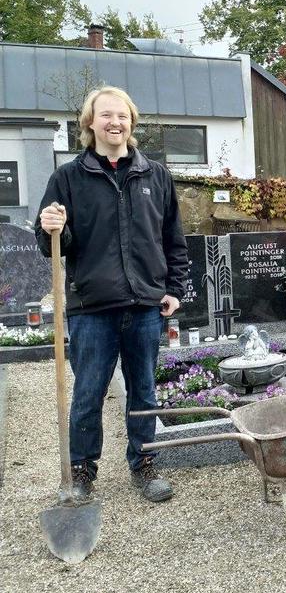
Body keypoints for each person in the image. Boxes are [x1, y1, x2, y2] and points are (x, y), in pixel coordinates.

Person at [35, 85, 188, 503]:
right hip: (92, 308)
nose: (115, 122)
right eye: (106, 115)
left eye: (122, 115)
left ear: (131, 122)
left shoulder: (155, 175)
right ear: (90, 122)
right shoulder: (67, 178)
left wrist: (174, 289)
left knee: (144, 391)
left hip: (144, 306)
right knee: (88, 393)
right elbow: (52, 244)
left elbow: (173, 238)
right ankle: (81, 471)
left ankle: (144, 463)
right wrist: (50, 227)